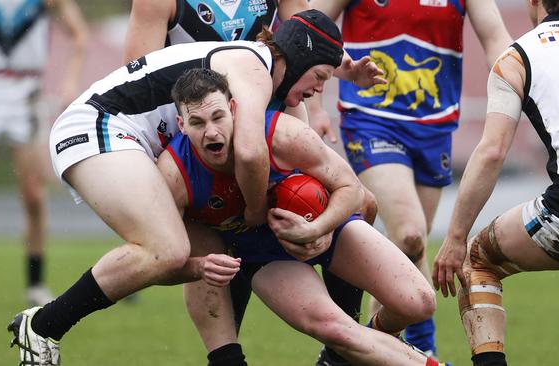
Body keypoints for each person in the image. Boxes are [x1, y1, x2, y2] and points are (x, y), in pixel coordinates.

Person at [6, 9, 374, 365]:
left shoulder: (273, 75)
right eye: (321, 77)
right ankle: (43, 325)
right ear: (298, 61)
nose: (320, 89)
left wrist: (323, 224)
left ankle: (316, 355)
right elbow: (248, 152)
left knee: (215, 246)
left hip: (136, 138)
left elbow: (349, 189)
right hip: (99, 124)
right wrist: (256, 213)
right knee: (168, 248)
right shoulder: (256, 69)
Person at [122, 1, 381, 362]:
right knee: (216, 243)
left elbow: (305, 37)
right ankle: (227, 356)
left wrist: (341, 67)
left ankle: (340, 353)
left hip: (271, 113)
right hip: (201, 135)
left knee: (358, 203)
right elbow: (140, 79)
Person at [158, 67, 449, 366]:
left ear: (233, 109)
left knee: (419, 303)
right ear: (181, 124)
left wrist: (317, 229)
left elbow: (352, 190)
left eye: (218, 117)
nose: (211, 132)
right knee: (338, 329)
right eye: (197, 122)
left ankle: (344, 354)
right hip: (265, 256)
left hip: (325, 229)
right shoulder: (174, 174)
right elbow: (158, 258)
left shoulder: (282, 133)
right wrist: (200, 265)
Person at [307, 0, 513, 362]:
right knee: (411, 234)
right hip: (371, 120)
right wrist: (313, 106)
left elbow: (497, 39)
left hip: (435, 127)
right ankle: (420, 346)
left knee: (407, 253)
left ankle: (363, 351)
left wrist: (522, 84)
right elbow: (310, 29)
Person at [432, 1, 559, 365]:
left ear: (534, 3)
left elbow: (492, 152)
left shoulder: (517, 57)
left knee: (477, 261)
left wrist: (455, 238)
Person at [0, 0, 87, 305]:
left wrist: (70, 83)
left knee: (33, 194)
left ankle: (35, 283)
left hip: (26, 93)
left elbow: (79, 34)